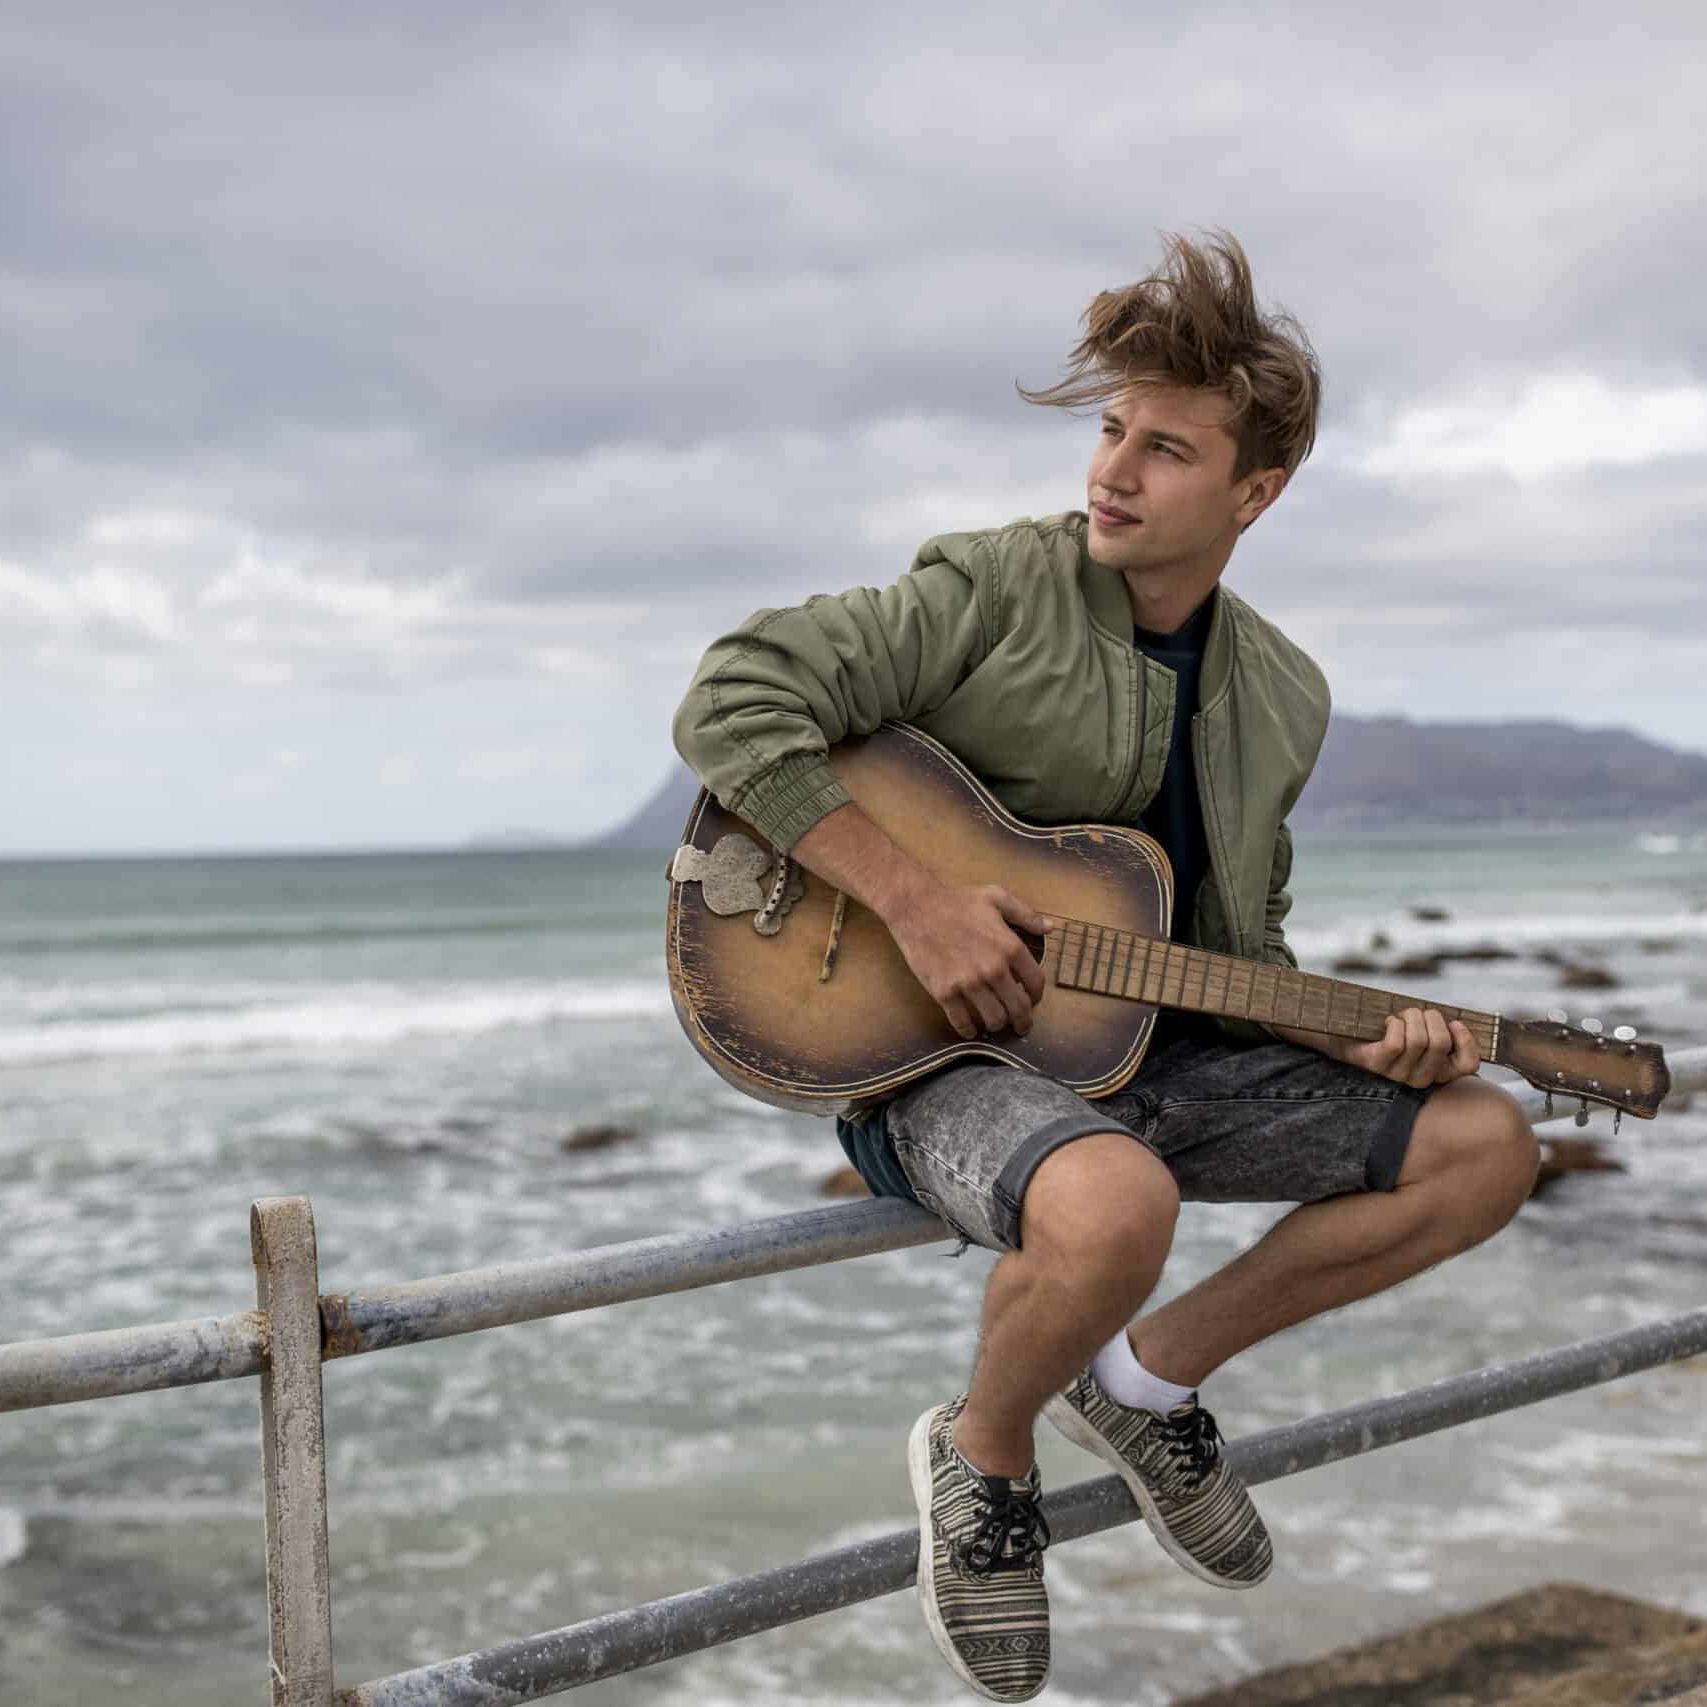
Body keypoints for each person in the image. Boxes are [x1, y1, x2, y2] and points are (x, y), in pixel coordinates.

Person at [670, 231, 1539, 1702]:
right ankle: (981, 1455)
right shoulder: (992, 592)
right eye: (1111, 433)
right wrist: (924, 902)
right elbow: (733, 700)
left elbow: (1231, 948)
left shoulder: (1283, 693)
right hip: (924, 1052)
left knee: (1488, 1143)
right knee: (1112, 1199)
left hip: (1149, 1047)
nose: (1115, 474)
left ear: (1254, 493)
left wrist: (1354, 1034)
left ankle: (1140, 1384)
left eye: (1169, 450)